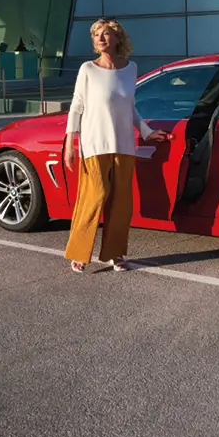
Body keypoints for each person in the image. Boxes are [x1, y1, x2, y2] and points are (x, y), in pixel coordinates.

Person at [62, 18, 169, 273]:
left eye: (106, 33)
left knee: (121, 202)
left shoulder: (130, 69)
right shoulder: (88, 69)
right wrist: (70, 143)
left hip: (123, 144)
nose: (100, 38)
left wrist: (147, 131)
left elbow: (129, 107)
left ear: (118, 38)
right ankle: (78, 251)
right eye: (97, 34)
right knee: (94, 195)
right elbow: (76, 107)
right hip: (94, 143)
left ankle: (115, 254)